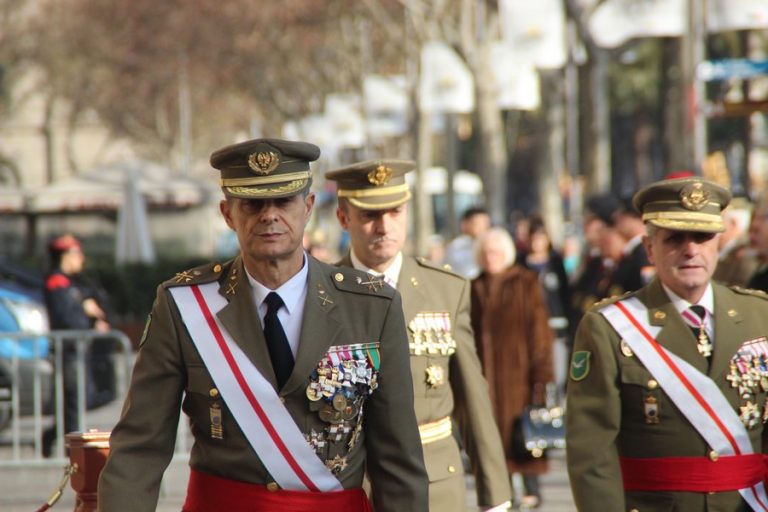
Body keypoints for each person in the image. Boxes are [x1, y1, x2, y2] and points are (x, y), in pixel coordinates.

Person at [97, 139, 428, 512]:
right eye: (252, 204)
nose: (269, 215)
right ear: (227, 214)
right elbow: (140, 450)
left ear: (308, 207)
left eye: (283, 201)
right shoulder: (182, 306)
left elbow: (397, 461)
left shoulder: (371, 306)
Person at [566, 176, 768, 510]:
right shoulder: (609, 327)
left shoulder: (759, 315)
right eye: (675, 238)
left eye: (702, 237)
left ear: (718, 243)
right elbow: (592, 453)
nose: (691, 250)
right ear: (649, 248)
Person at [326, 160, 512, 512]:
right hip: (349, 482)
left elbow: (472, 398)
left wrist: (496, 497)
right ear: (343, 218)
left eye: (395, 212)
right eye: (369, 215)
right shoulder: (320, 293)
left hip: (434, 482)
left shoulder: (446, 290)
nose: (384, 226)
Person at [471, 227, 555, 509]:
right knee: (492, 439)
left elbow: (540, 334)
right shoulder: (473, 287)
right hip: (484, 379)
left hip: (519, 376)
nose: (490, 257)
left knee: (525, 432)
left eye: (495, 252)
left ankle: (532, 489)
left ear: (506, 254)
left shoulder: (525, 282)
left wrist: (542, 376)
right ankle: (500, 492)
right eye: (485, 252)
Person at [42, 234, 111, 457]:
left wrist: (93, 316)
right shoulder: (57, 283)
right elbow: (67, 318)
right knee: (74, 400)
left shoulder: (75, 283)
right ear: (65, 256)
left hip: (78, 349)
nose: (81, 258)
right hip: (68, 350)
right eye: (77, 254)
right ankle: (71, 451)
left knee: (78, 399)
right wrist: (86, 314)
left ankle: (54, 438)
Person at [608, 197, 655, 296]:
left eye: (622, 215)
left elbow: (647, 289)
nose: (616, 219)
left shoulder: (643, 252)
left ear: (636, 218)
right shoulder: (632, 253)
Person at [713, 197, 757, 287]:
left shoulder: (744, 254)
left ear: (733, 223)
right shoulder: (728, 251)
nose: (714, 226)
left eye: (720, 220)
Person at [442, 206, 492, 279]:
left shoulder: (496, 244)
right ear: (465, 224)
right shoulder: (456, 246)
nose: (482, 227)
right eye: (478, 223)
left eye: (485, 223)